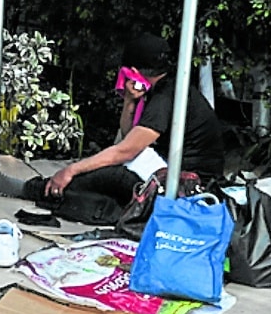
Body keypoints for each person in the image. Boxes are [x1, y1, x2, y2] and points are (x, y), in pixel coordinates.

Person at [18, 33, 224, 222]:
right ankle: (45, 187)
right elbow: (130, 135)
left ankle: (40, 189)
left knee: (113, 176)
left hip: (188, 184)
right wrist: (130, 101)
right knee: (104, 173)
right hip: (176, 170)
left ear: (132, 72)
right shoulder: (166, 87)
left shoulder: (165, 97)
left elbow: (126, 150)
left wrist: (70, 170)